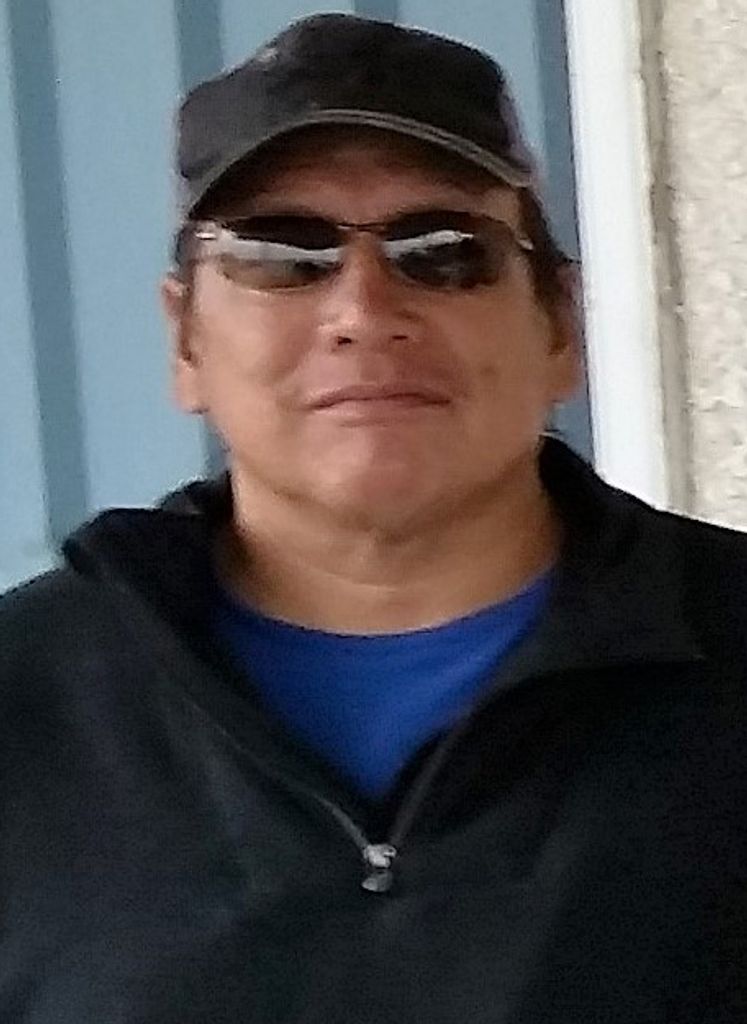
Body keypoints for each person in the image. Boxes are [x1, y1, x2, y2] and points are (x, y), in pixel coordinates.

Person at [1, 12, 746, 1023]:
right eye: (280, 252)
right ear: (185, 340)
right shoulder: (27, 709)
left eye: (443, 250)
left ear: (560, 327)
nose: (362, 309)